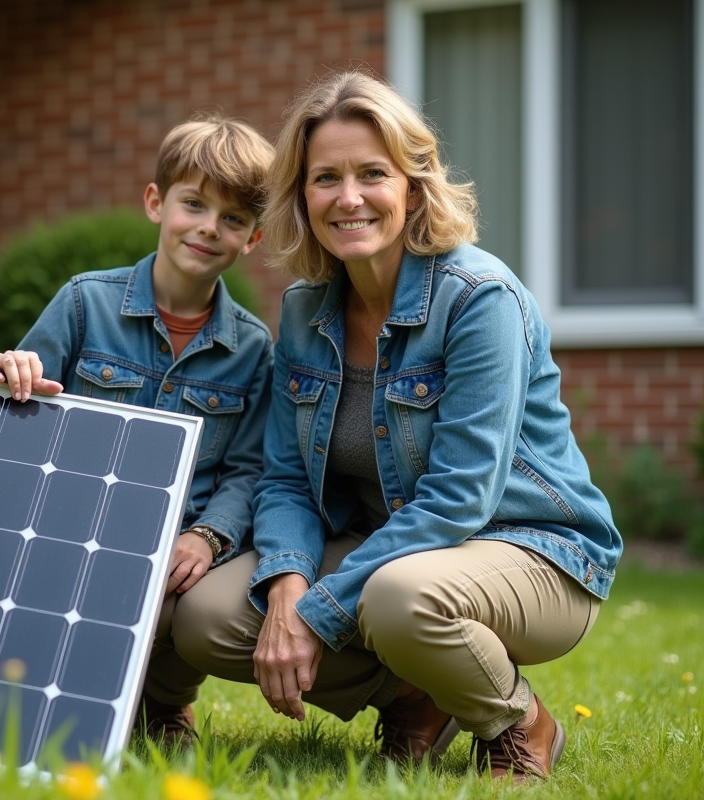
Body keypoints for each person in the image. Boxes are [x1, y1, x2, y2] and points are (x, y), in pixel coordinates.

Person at [170, 72, 621, 781]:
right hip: (396, 556)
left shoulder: (480, 300)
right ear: (301, 196)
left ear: (413, 185)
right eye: (326, 178)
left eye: (372, 173)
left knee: (396, 597)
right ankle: (419, 691)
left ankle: (514, 720)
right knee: (209, 618)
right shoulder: (303, 311)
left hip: (534, 549)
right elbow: (286, 477)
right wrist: (287, 583)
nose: (348, 197)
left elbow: (460, 500)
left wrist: (316, 613)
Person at [0, 115, 276, 745]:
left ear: (252, 238)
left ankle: (164, 703)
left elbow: (249, 468)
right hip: (75, 519)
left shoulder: (253, 349)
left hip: (175, 538)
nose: (207, 227)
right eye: (193, 204)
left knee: (178, 591)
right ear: (155, 202)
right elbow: (19, 397)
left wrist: (207, 536)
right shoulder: (84, 302)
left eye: (232, 218)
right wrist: (8, 370)